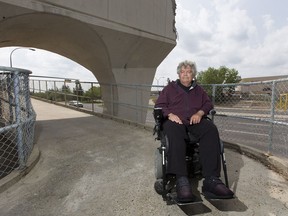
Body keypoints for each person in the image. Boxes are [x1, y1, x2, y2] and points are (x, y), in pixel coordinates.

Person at [155, 60, 234, 202]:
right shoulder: (170, 89)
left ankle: (211, 180)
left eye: (189, 71)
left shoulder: (199, 90)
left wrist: (200, 113)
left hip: (193, 121)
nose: (186, 74)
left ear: (193, 75)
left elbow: (208, 103)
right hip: (175, 121)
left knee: (210, 129)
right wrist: (170, 115)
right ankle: (181, 180)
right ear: (179, 74)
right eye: (183, 72)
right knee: (174, 130)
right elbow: (159, 106)